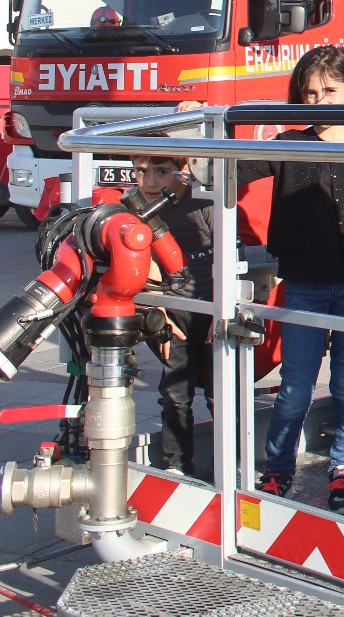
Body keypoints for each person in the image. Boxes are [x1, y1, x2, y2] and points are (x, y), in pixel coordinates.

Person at [233, 46, 344, 516]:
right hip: (304, 284)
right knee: (296, 385)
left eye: (329, 91)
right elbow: (233, 165)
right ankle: (278, 468)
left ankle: (343, 469)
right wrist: (197, 132)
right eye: (310, 93)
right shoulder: (289, 143)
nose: (319, 101)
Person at [125, 152, 214, 478]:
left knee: (222, 395)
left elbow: (232, 254)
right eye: (141, 171)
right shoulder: (134, 210)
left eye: (161, 171)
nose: (149, 181)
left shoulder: (203, 202)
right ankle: (177, 466)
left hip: (212, 311)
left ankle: (230, 465)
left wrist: (221, 313)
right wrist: (157, 317)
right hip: (173, 316)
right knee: (175, 396)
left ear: (183, 169)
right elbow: (138, 266)